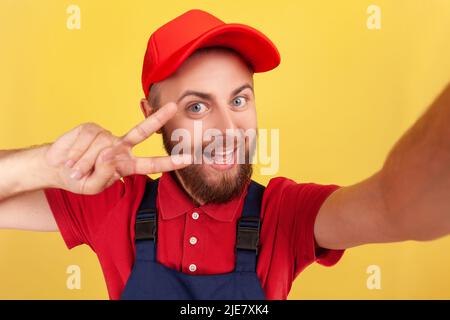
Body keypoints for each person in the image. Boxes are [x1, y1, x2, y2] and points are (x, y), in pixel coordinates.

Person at [0, 9, 449, 300]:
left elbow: (398, 207)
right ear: (151, 113)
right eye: (197, 106)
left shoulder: (284, 216)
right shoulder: (113, 203)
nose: (229, 130)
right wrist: (44, 166)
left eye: (239, 100)